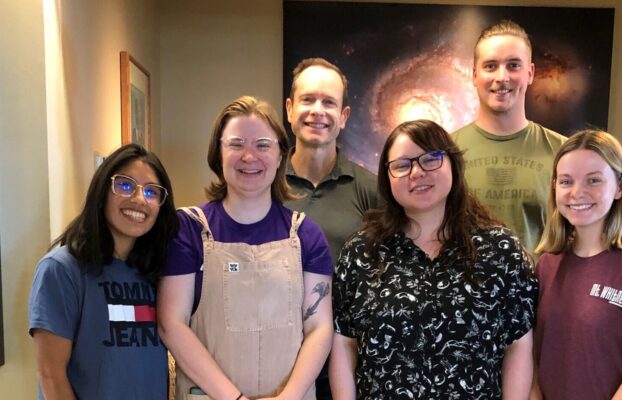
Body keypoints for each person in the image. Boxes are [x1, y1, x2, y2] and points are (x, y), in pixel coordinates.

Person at [330, 119, 536, 399]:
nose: (417, 172)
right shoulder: (362, 252)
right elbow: (344, 343)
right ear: (386, 178)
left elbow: (519, 344)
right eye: (402, 165)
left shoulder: (500, 250)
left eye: (431, 159)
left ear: (453, 164)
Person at [158, 96, 333, 400]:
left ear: (280, 155)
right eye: (236, 144)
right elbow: (171, 324)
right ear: (218, 154)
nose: (249, 157)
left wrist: (289, 396)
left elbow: (319, 327)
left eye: (263, 145)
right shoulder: (189, 230)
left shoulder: (306, 234)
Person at [531, 130, 622, 400]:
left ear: (619, 187)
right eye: (566, 181)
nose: (577, 193)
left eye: (594, 180)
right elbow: (534, 359)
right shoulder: (547, 265)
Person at [28, 143, 179, 400]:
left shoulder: (155, 271)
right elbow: (51, 375)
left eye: (152, 192)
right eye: (125, 185)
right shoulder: (61, 270)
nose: (140, 199)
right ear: (102, 192)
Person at [284, 57, 379, 399]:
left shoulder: (372, 191)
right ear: (290, 108)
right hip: (277, 354)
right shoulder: (262, 185)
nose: (317, 111)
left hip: (346, 361)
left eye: (329, 102)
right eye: (308, 100)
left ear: (344, 117)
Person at [452, 20, 567, 257]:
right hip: (464, 291)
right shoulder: (446, 152)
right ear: (474, 75)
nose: (502, 77)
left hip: (541, 292)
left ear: (530, 73)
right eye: (490, 66)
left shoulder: (563, 152)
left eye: (513, 65)